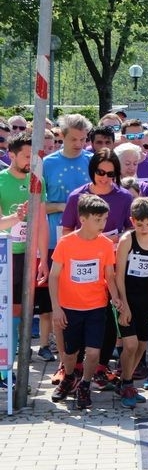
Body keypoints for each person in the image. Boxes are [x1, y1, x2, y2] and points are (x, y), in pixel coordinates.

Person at [48, 194, 123, 410]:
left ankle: (85, 385)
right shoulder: (66, 243)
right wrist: (56, 308)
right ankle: (69, 377)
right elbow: (54, 276)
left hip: (96, 307)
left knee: (93, 352)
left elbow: (109, 275)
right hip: (70, 308)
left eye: (105, 219)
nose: (103, 224)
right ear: (83, 218)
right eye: (97, 220)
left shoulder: (106, 245)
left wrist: (116, 297)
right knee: (70, 354)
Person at [113, 197, 148, 407]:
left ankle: (125, 382)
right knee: (130, 344)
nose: (145, 228)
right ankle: (127, 383)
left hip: (147, 299)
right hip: (128, 298)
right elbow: (119, 275)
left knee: (141, 345)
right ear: (132, 221)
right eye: (140, 224)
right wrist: (123, 304)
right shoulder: (127, 240)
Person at [0, 133, 48, 364]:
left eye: (33, 156)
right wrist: (16, 216)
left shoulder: (37, 180)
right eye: (26, 156)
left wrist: (43, 259)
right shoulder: (1, 180)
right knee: (4, 309)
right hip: (5, 256)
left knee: (20, 309)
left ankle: (15, 356)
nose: (31, 161)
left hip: (27, 257)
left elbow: (41, 221)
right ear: (12, 155)